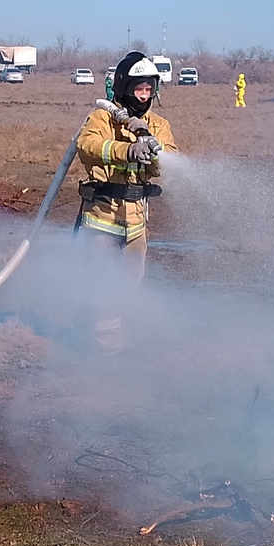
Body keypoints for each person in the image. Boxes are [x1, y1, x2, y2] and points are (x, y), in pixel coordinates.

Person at [75, 51, 177, 354]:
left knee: (130, 288)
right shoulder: (103, 118)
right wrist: (126, 151)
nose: (144, 97)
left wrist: (155, 157)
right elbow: (87, 145)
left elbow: (168, 160)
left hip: (136, 224)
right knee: (104, 289)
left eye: (149, 90)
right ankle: (106, 359)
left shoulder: (158, 125)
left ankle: (106, 336)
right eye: (138, 90)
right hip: (101, 221)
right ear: (124, 88)